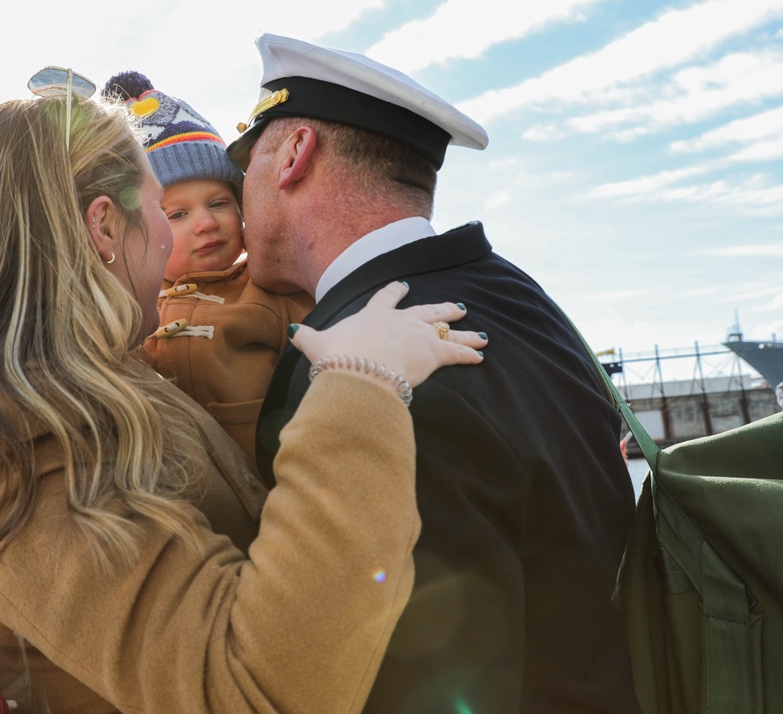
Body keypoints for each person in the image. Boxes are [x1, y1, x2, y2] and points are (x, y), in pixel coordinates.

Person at [0, 68, 488, 713]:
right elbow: (256, 690)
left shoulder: (88, 388)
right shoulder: (9, 441)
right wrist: (360, 385)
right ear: (104, 227)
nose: (174, 233)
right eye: (160, 207)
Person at [228, 34, 641, 713]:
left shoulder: (364, 361)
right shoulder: (522, 298)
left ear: (295, 154)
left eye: (244, 162)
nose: (236, 193)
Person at [101, 72, 313, 469]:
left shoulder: (274, 290)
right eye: (177, 213)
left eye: (218, 203)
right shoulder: (121, 312)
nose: (205, 223)